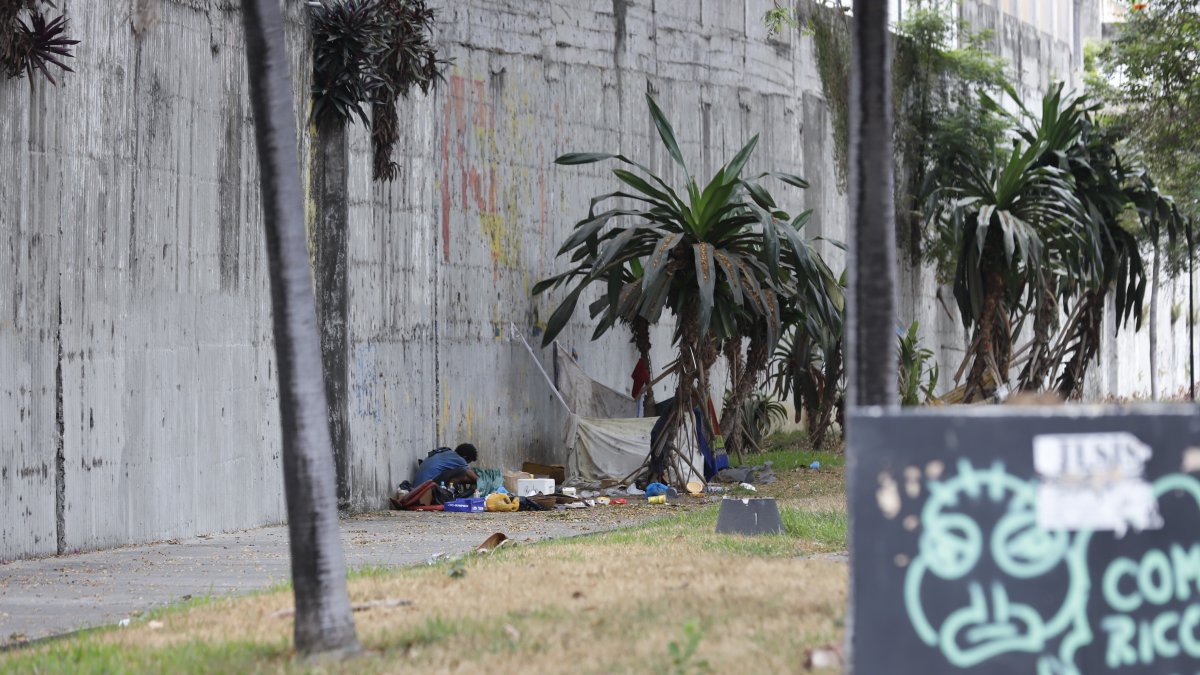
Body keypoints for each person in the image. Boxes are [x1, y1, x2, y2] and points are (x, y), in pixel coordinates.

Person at [413, 443, 478, 488]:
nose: (466, 464)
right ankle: (447, 496)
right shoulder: (459, 459)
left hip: (416, 487)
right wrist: (483, 483)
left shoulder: (446, 453)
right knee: (462, 472)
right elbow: (472, 476)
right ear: (465, 457)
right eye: (467, 462)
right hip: (425, 488)